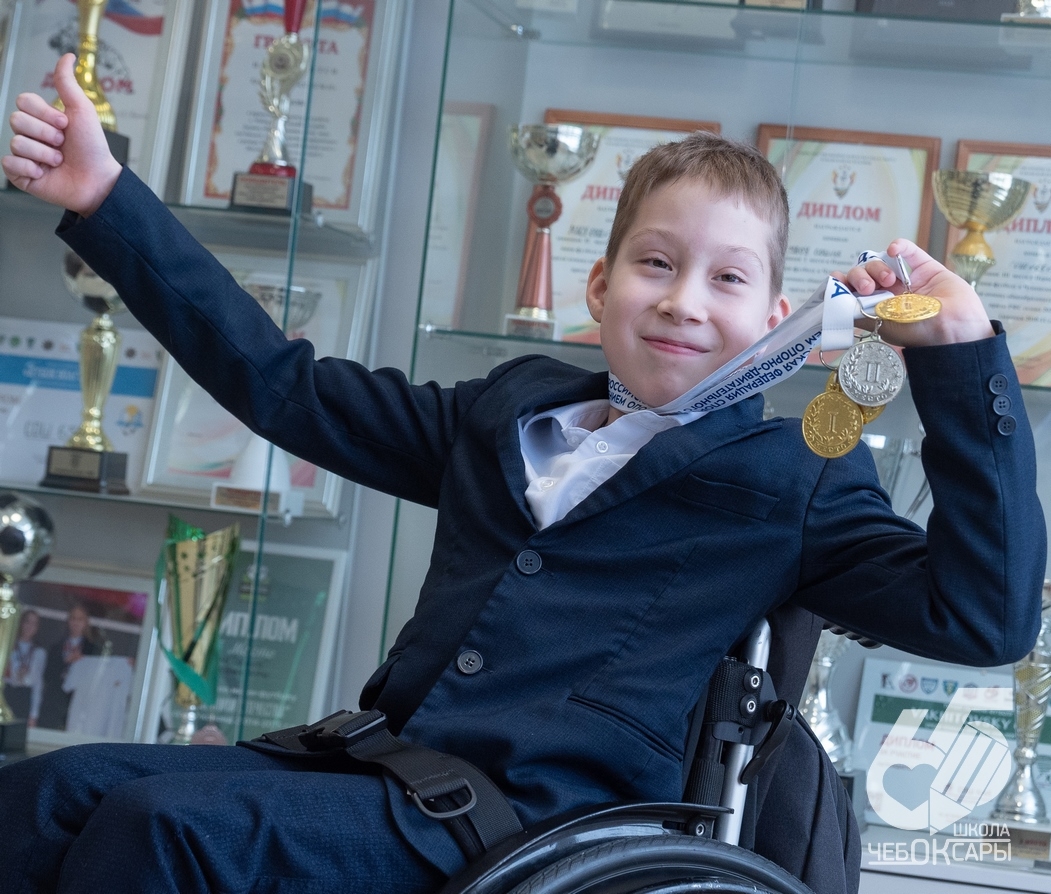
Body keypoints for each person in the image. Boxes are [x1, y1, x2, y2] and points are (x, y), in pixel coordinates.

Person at [0, 54, 1044, 894]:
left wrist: (960, 357)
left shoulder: (793, 478)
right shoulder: (507, 409)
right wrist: (107, 200)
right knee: (45, 795)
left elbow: (984, 619)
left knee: (161, 829)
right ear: (598, 284)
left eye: (726, 279)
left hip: (541, 830)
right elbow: (287, 389)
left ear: (777, 320)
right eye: (655, 262)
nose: (682, 300)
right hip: (373, 769)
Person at [37, 601, 100, 731]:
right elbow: (47, 676)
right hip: (55, 704)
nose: (76, 623)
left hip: (79, 703)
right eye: (73, 618)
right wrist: (65, 662)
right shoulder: (56, 648)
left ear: (86, 623)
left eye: (80, 619)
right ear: (68, 621)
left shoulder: (92, 650)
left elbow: (95, 680)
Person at [2, 609, 47, 727]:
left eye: (34, 623)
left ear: (37, 628)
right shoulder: (9, 645)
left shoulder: (39, 653)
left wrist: (34, 714)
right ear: (21, 623)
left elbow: (37, 685)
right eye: (27, 622)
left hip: (25, 697)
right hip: (7, 692)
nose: (29, 626)